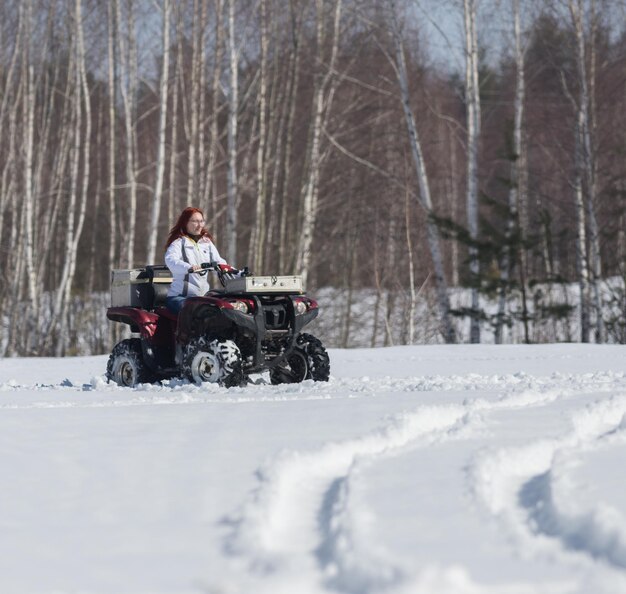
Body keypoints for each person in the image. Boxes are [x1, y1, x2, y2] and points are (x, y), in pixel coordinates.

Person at [164, 206, 236, 314]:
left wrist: (239, 274)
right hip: (180, 297)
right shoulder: (179, 242)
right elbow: (170, 260)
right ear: (185, 222)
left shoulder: (206, 243)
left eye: (201, 221)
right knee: (193, 311)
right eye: (195, 221)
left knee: (221, 311)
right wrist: (188, 267)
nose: (200, 225)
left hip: (201, 297)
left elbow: (220, 263)